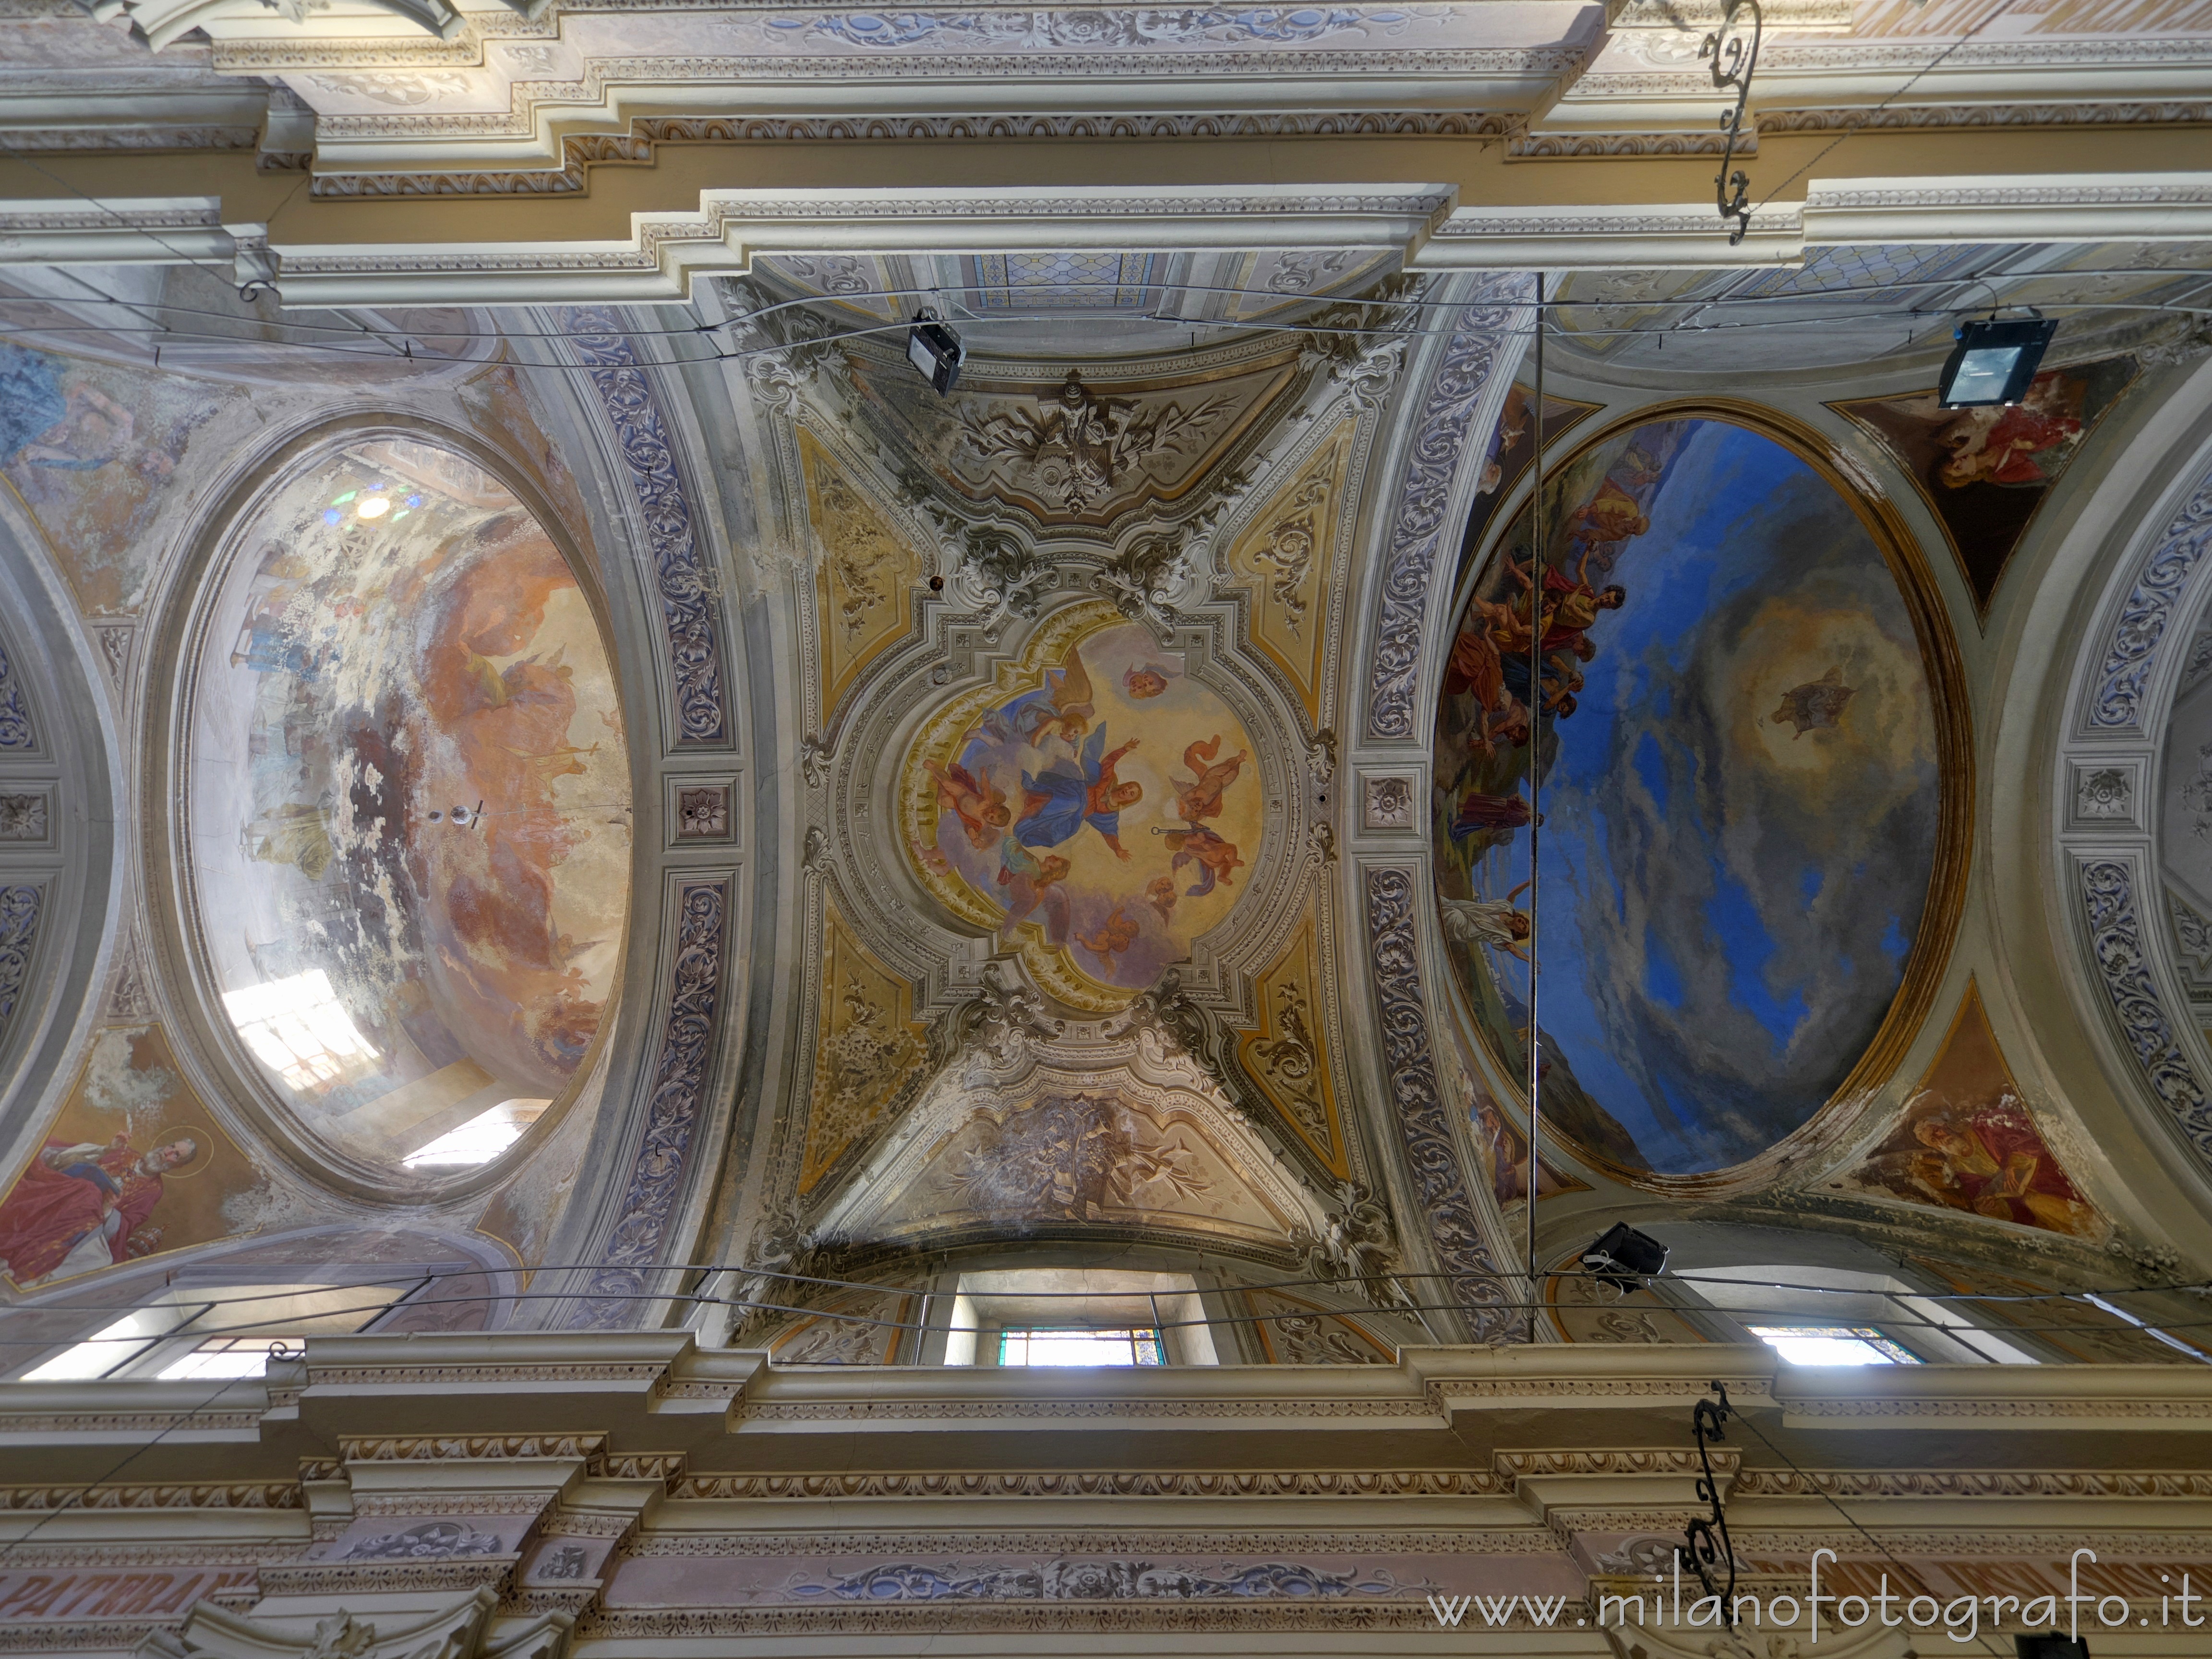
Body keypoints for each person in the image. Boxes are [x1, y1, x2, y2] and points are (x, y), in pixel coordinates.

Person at [0, 1133, 197, 1287]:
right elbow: (66, 1157)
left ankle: (25, 1276)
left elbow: (127, 1226)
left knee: (98, 1258)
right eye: (172, 1146)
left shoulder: (154, 1190)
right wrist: (107, 1149)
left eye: (176, 1155)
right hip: (62, 1190)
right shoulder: (125, 1153)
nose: (168, 1153)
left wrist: (109, 1208)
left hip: (92, 1219)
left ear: (178, 1166)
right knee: (87, 1190)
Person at [1015, 728, 1140, 858]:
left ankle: (1026, 828)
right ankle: (1035, 798)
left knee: (1060, 833)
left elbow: (1110, 834)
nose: (1127, 791)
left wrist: (1118, 849)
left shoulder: (1111, 814)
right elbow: (1109, 763)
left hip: (1076, 815)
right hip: (1076, 792)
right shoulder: (1110, 782)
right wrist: (1124, 750)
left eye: (1131, 794)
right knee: (1073, 803)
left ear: (1129, 801)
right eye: (1130, 787)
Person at [1171, 735, 1247, 824]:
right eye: (1196, 810)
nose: (1196, 807)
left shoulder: (1192, 795)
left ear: (1189, 802)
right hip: (1222, 783)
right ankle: (1239, 763)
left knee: (1227, 766)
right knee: (1234, 773)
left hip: (1212, 776)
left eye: (1192, 807)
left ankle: (1238, 758)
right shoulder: (1205, 806)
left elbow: (1183, 799)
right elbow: (1198, 818)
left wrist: (1182, 805)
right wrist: (1196, 824)